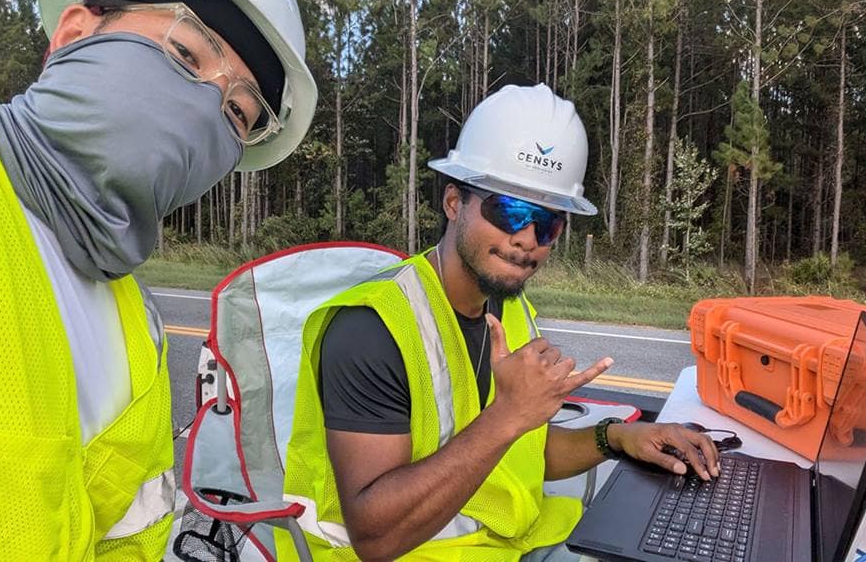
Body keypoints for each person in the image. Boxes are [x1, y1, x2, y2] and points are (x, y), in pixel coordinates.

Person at [0, 0, 315, 558]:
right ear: (74, 32)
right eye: (184, 53)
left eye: (235, 112)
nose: (205, 104)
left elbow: (126, 538)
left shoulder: (142, 333)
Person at [277, 84, 720, 561]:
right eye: (508, 210)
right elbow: (375, 537)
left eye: (547, 223)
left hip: (507, 543)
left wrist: (615, 438)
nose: (527, 238)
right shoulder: (371, 330)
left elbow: (522, 452)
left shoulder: (507, 309)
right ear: (453, 203)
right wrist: (510, 415)